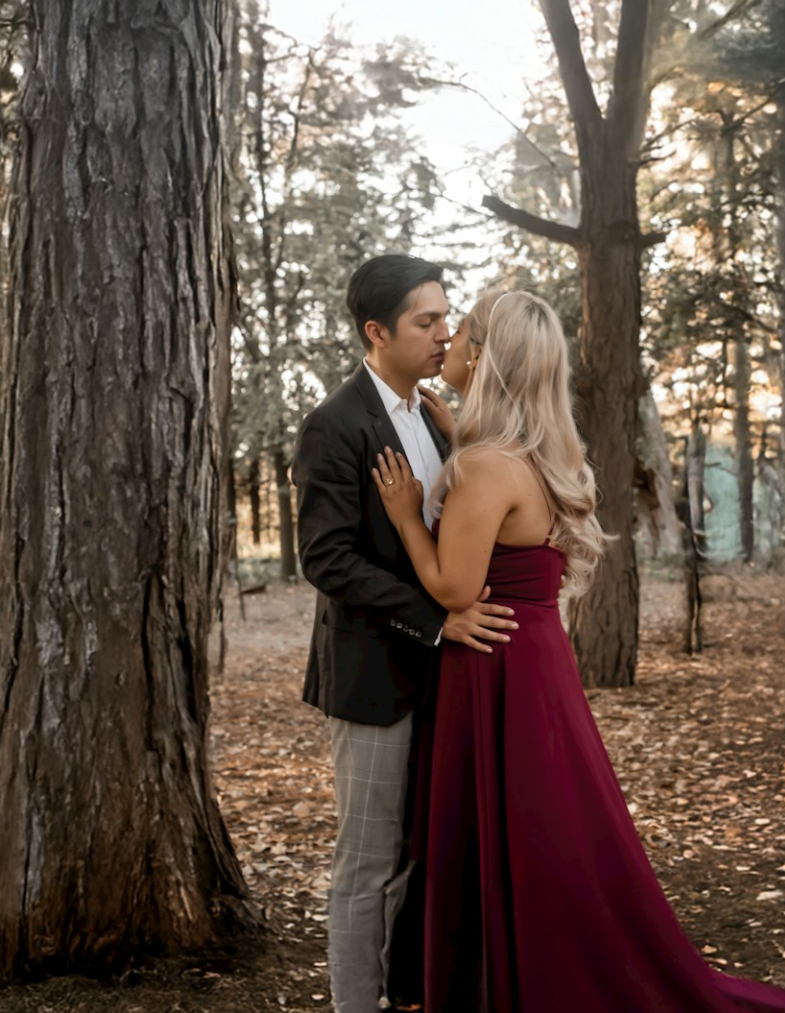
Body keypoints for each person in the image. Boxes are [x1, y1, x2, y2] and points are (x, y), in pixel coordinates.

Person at [371, 291, 785, 1013]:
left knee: (512, 833)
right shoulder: (530, 452)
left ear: (485, 356)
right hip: (538, 664)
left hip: (496, 667)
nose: (447, 340)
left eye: (461, 331)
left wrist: (404, 517)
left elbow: (456, 588)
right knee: (550, 829)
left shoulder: (484, 464)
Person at [290, 256, 518, 1013]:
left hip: (444, 677)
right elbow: (325, 558)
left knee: (421, 857)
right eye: (426, 321)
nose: (443, 333)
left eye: (446, 317)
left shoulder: (433, 415)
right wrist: (434, 620)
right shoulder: (334, 423)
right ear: (376, 332)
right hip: (374, 680)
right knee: (367, 863)